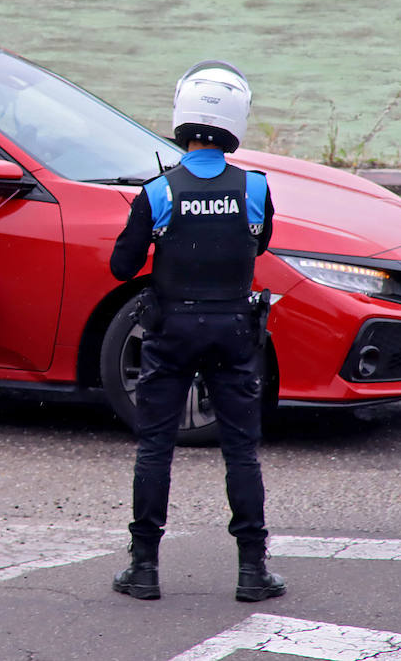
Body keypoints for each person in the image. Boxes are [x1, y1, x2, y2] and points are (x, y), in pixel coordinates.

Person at [108, 61, 285, 603]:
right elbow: (261, 244)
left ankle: (144, 570)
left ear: (183, 118)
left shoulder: (158, 191)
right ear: (234, 123)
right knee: (241, 451)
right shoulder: (255, 187)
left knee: (156, 448)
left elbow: (121, 266)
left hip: (171, 331)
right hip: (234, 330)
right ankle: (252, 573)